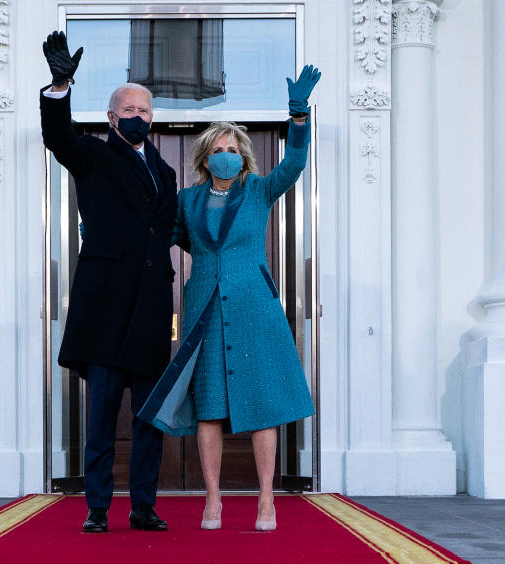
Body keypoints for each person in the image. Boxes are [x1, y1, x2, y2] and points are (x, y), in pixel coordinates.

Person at [139, 65, 321, 531]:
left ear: (243, 157)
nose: (225, 155)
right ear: (205, 158)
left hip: (254, 308)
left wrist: (297, 117)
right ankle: (213, 500)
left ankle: (266, 500)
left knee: (260, 404)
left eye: (232, 149)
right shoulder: (187, 199)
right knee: (209, 406)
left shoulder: (259, 191)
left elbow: (295, 164)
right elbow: (171, 237)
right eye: (217, 150)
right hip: (203, 308)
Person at [39, 31, 177, 533]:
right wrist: (59, 86)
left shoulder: (165, 171)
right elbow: (58, 137)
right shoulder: (93, 155)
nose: (138, 114)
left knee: (148, 421)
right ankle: (97, 508)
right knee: (99, 421)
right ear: (112, 116)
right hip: (104, 313)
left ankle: (143, 505)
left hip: (149, 316)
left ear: (151, 118)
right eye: (129, 108)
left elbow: (171, 231)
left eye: (145, 108)